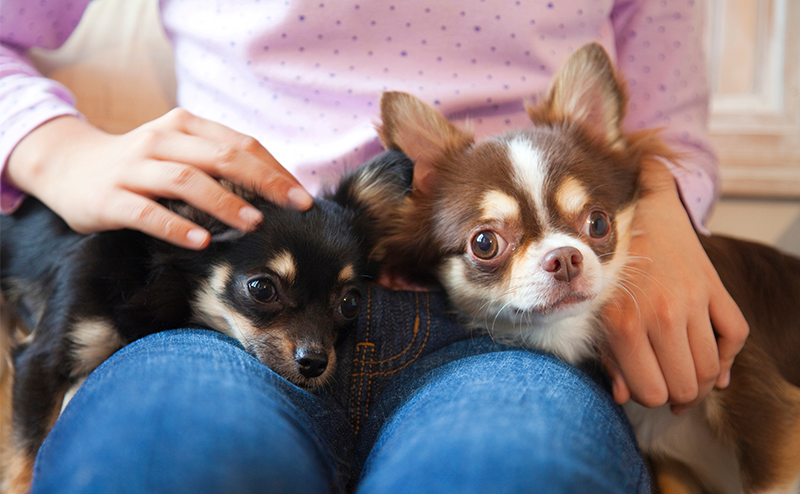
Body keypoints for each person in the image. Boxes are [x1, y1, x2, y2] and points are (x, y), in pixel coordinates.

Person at [0, 0, 749, 492]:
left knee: (516, 477)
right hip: (224, 309)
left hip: (515, 332)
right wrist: (57, 150)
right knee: (152, 467)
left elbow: (668, 133)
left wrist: (648, 222)